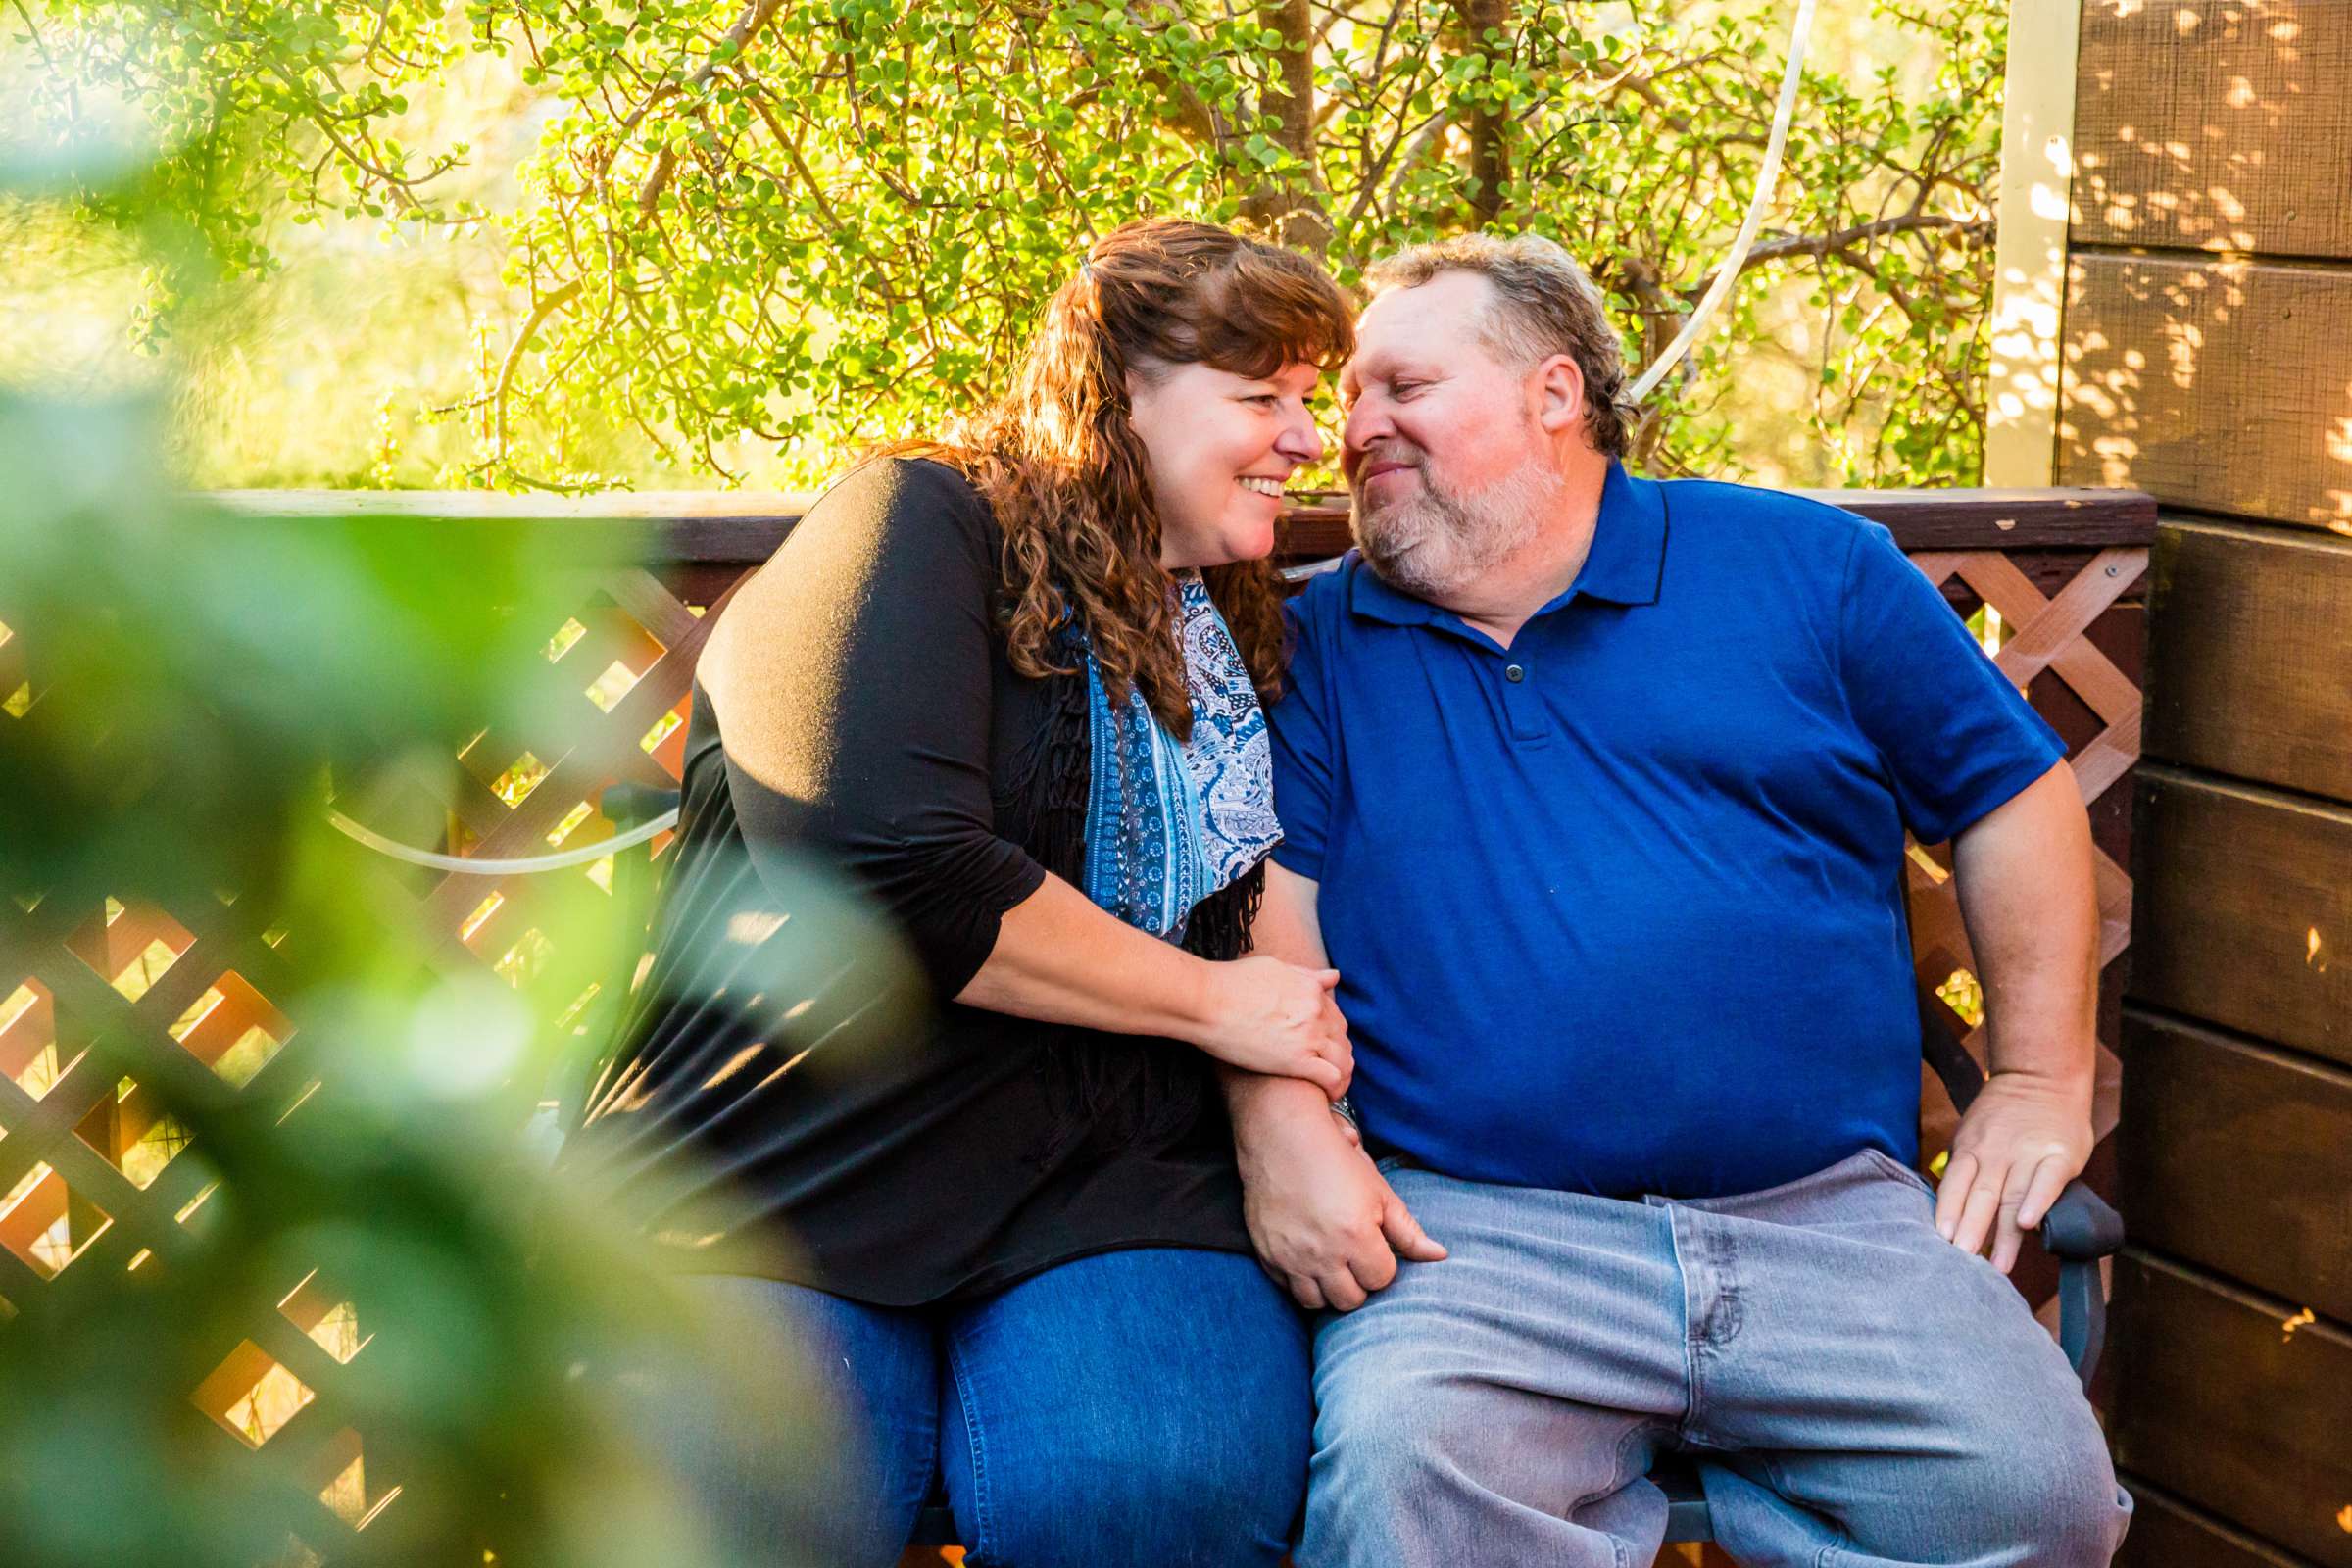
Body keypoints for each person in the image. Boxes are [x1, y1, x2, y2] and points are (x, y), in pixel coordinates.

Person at [1223, 233, 2134, 1568]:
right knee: (1401, 1483)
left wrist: (2043, 1078)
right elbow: (1273, 925)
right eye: (1349, 397)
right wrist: (1294, 1135)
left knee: (2035, 1498)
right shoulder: (1318, 643)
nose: (1350, 430)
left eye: (1400, 389)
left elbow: (2009, 793)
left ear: (1553, 395)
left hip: (1830, 1222)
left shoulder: (1808, 571)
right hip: (1477, 1241)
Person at [558, 219, 1356, 1568]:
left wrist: (1295, 1118)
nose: (1302, 438)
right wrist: (1219, 1010)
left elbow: (1261, 898)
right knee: (756, 1512)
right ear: (1122, 396)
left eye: (1308, 401)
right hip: (786, 1160)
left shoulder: (1226, 616)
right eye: (1260, 399)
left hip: (1106, 1176)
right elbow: (885, 860)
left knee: (1146, 1500)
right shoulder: (918, 524)